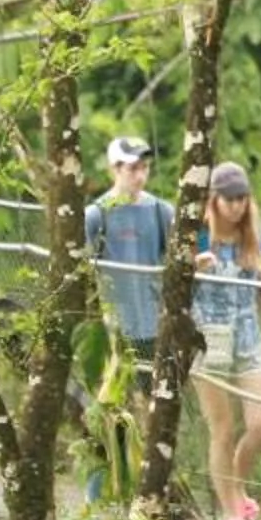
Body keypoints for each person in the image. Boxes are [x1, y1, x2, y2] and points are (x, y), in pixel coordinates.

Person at [190, 162, 261, 520]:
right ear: (214, 200)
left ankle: (236, 488)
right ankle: (230, 511)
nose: (237, 206)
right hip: (208, 334)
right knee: (222, 428)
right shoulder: (198, 235)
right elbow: (172, 287)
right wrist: (192, 267)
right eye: (230, 199)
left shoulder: (252, 234)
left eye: (242, 198)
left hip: (246, 333)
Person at [83, 134, 172, 379]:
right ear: (115, 169)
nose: (140, 176)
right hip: (112, 328)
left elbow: (177, 261)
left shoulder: (161, 211)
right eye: (133, 169)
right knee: (115, 402)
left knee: (154, 400)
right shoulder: (95, 215)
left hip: (155, 325)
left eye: (145, 168)